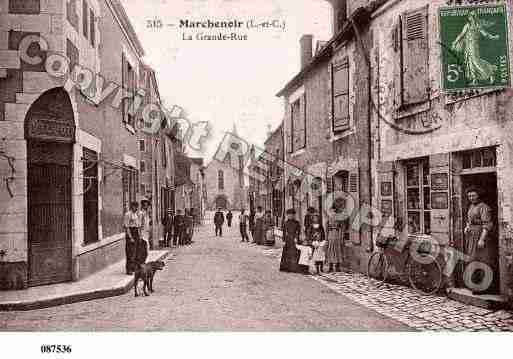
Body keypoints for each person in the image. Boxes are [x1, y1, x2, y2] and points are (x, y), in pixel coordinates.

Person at [451, 10, 500, 86]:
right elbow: (461, 35)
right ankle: (474, 80)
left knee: (476, 61)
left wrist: (493, 37)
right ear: (469, 18)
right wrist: (455, 42)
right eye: (471, 16)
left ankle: (490, 73)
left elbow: (485, 34)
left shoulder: (478, 25)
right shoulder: (467, 25)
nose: (472, 18)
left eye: (474, 16)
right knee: (470, 62)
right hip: (467, 46)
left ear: (475, 17)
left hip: (474, 45)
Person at [464, 186, 497, 294]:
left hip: (481, 236)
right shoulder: (471, 206)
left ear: (478, 195)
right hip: (472, 237)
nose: (471, 198)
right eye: (469, 196)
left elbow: (487, 224)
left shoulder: (484, 207)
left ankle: (485, 287)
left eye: (473, 195)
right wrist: (467, 227)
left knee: (483, 260)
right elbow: (469, 220)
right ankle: (476, 285)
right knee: (473, 260)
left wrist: (482, 239)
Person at [326, 198, 347, 272]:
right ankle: (331, 266)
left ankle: (337, 266)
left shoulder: (341, 216)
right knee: (331, 250)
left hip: (338, 234)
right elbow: (327, 225)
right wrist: (326, 237)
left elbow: (343, 227)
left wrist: (341, 237)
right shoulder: (330, 215)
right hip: (331, 234)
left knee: (338, 250)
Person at [124, 201, 140, 275]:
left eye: (137, 206)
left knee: (136, 252)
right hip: (131, 232)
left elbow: (137, 226)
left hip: (136, 232)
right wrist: (130, 237)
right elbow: (127, 227)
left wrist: (139, 236)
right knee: (130, 253)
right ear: (131, 206)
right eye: (135, 206)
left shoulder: (136, 214)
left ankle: (133, 268)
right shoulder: (128, 214)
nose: (136, 208)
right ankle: (129, 269)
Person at [137, 199, 150, 265]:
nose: (146, 206)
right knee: (143, 252)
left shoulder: (146, 213)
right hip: (142, 235)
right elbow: (139, 225)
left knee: (146, 251)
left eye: (147, 205)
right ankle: (141, 264)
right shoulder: (140, 213)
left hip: (146, 235)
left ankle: (142, 263)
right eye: (145, 205)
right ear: (142, 205)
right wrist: (139, 236)